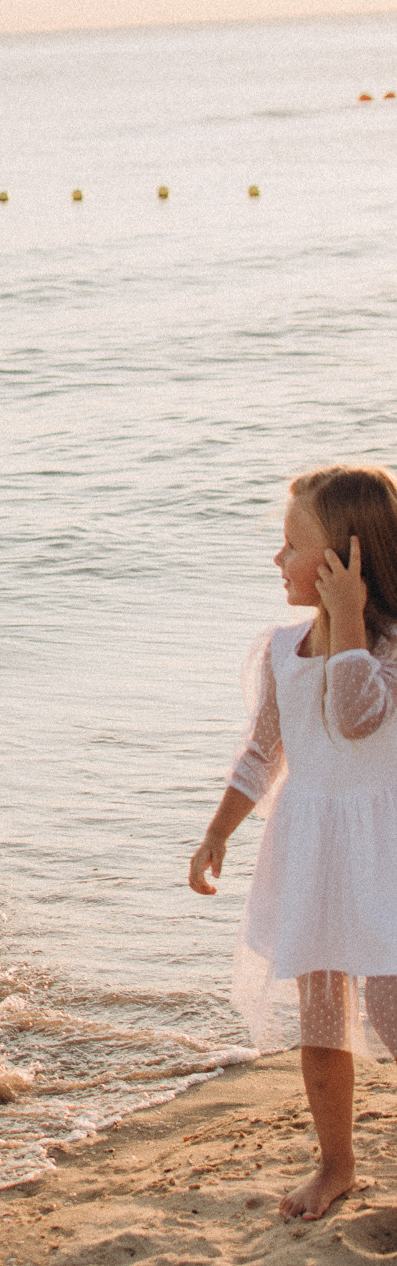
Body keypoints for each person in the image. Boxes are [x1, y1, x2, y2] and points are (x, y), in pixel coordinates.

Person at [190, 466, 397, 1221]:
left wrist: (348, 618)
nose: (277, 562)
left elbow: (354, 716)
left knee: (388, 1006)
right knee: (320, 1017)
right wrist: (217, 831)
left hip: (384, 854)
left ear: (347, 560)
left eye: (291, 547)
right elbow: (261, 753)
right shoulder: (281, 648)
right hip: (312, 852)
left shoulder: (388, 649)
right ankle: (336, 1164)